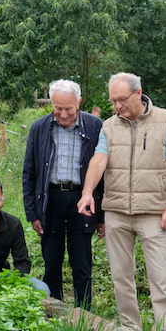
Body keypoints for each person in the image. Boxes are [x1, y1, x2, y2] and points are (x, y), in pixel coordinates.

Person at [77, 72, 166, 331]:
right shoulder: (109, 125)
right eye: (113, 101)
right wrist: (88, 192)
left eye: (121, 100)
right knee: (121, 278)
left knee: (161, 279)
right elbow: (99, 159)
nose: (117, 106)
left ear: (138, 93)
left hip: (153, 212)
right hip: (116, 211)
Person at [22, 79, 104, 309]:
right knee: (52, 261)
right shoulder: (39, 127)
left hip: (83, 199)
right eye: (57, 108)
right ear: (51, 103)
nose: (63, 114)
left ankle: (84, 314)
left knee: (82, 262)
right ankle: (55, 311)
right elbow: (29, 172)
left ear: (79, 103)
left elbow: (104, 172)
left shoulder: (95, 125)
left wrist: (102, 216)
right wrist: (32, 213)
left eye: (68, 109)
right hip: (50, 199)